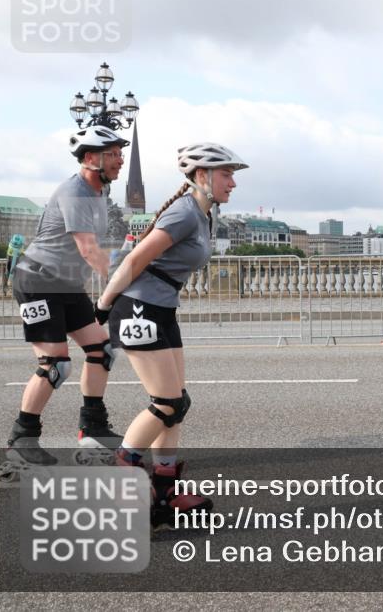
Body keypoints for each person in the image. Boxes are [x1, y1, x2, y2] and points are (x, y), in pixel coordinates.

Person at [94, 142, 247, 528]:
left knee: (179, 402)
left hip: (162, 310)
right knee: (165, 403)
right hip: (138, 308)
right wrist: (104, 303)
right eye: (226, 174)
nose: (233, 182)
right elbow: (135, 259)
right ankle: (124, 469)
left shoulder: (203, 214)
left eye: (232, 174)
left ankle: (164, 491)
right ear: (202, 176)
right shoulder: (183, 214)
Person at [0, 126, 129, 478]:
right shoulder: (76, 193)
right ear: (90, 158)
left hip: (66, 284)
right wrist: (123, 285)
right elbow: (88, 250)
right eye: (113, 153)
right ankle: (19, 445)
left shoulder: (97, 193)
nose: (120, 159)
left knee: (103, 350)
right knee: (55, 365)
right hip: (39, 280)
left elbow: (98, 250)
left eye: (119, 152)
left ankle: (93, 431)